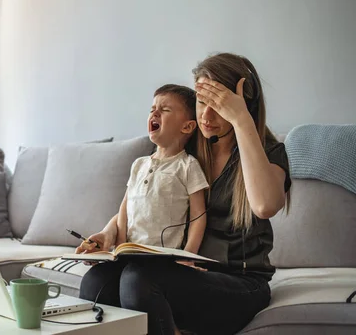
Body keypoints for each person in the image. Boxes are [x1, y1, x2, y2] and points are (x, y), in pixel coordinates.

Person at [76, 53, 292, 335]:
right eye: (202, 102)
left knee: (138, 280)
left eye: (219, 106)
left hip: (239, 282)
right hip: (181, 272)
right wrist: (107, 233)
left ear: (243, 106)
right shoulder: (186, 152)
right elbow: (146, 202)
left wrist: (242, 121)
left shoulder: (269, 153)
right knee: (96, 281)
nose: (206, 116)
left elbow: (265, 205)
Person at [77, 84, 209, 259]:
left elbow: (198, 216)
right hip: (128, 251)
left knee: (133, 277)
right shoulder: (138, 164)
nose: (155, 113)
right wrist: (120, 248)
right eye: (153, 109)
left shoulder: (188, 165)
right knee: (93, 277)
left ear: (187, 127)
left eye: (165, 110)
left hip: (160, 257)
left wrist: (188, 256)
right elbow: (125, 209)